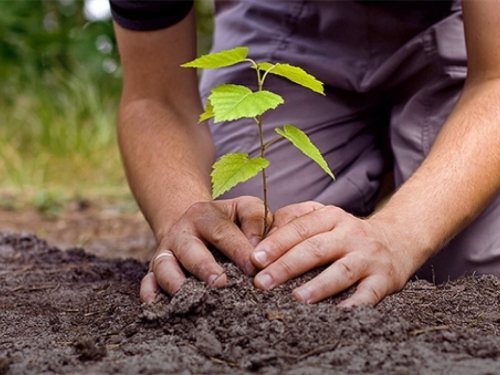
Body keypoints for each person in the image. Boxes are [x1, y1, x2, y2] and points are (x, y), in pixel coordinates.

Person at [109, 0, 500, 307]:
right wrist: (182, 214)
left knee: (474, 264)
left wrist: (400, 232)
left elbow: (496, 79)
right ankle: (380, 156)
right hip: (283, 15)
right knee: (258, 246)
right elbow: (154, 96)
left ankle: (399, 161)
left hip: (466, 23)